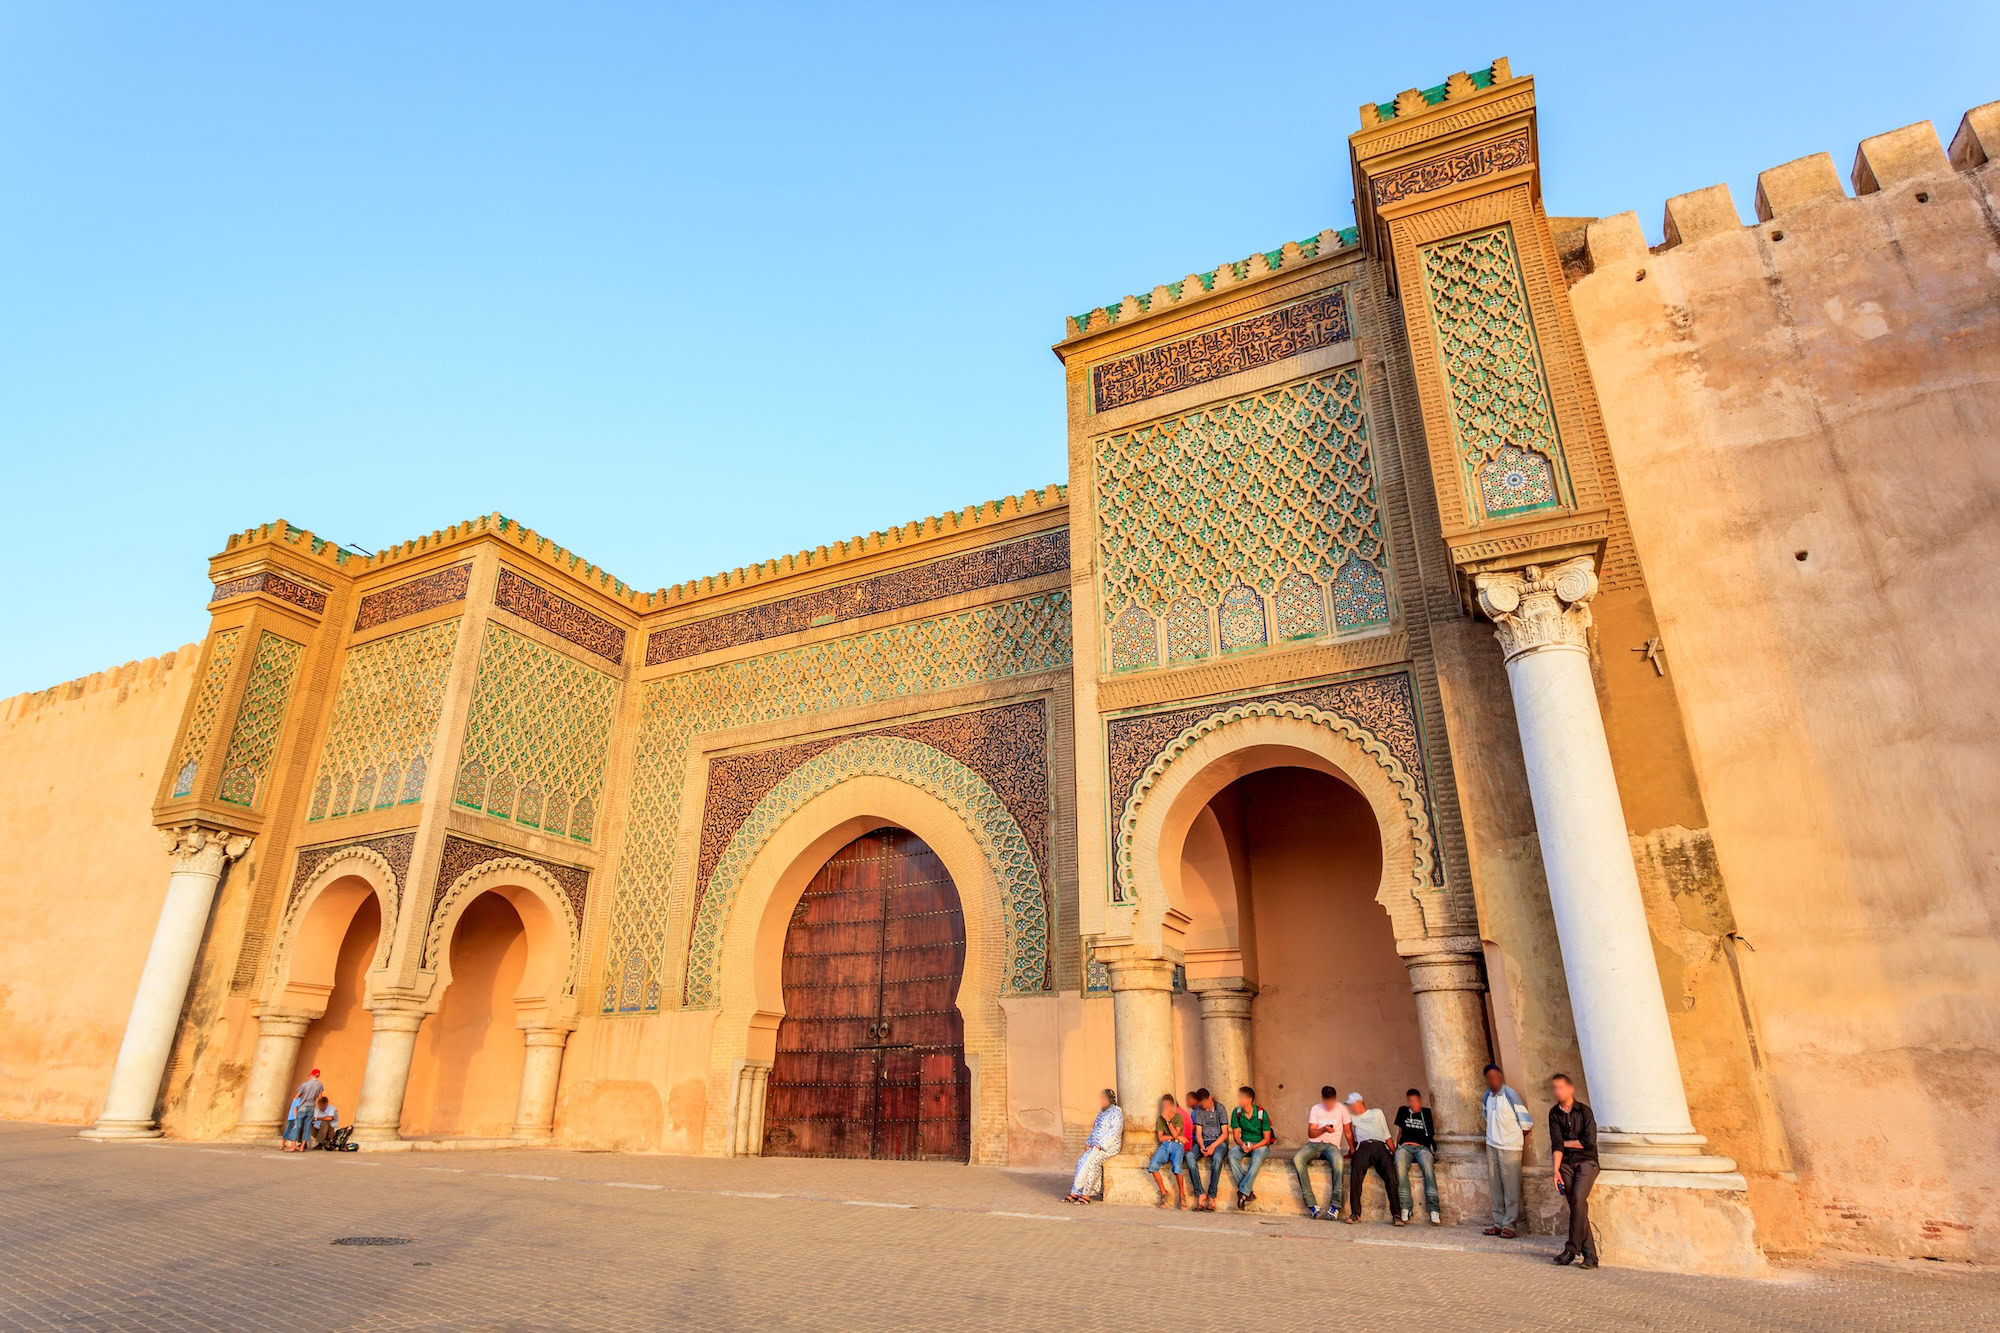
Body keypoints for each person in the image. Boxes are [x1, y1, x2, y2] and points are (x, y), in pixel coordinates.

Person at [1547, 1073, 1600, 1268]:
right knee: (1577, 1206)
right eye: (1554, 1088)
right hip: (1566, 1164)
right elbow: (1556, 1145)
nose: (1557, 1091)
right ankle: (1590, 1257)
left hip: (1587, 1162)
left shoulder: (1585, 1112)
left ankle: (1571, 1249)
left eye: (1560, 1087)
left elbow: (1588, 1142)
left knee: (1578, 1199)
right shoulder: (1554, 1114)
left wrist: (1563, 1143)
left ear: (1571, 1088)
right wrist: (1556, 1171)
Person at [1481, 1063, 1534, 1238]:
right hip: (1492, 1146)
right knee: (1496, 1186)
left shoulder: (1511, 1095)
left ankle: (1510, 1225)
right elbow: (1487, 1118)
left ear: (1501, 1077)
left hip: (1510, 1147)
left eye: (1496, 1076)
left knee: (1511, 1189)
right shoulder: (1486, 1097)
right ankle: (1498, 1222)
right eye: (1490, 1077)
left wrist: (1514, 1139)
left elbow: (1526, 1123)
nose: (1493, 1080)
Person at [1291, 1085, 1350, 1220]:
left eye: (1332, 1101)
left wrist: (1353, 1149)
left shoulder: (1342, 1109)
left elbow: (1348, 1131)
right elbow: (1311, 1132)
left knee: (1338, 1162)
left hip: (1332, 1146)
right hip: (1314, 1144)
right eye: (1327, 1101)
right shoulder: (1315, 1109)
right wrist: (1323, 1129)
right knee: (1298, 1159)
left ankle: (1335, 1205)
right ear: (1323, 1099)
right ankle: (1312, 1204)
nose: (1330, 1104)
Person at [1344, 1092, 1399, 1224]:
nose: (1351, 1108)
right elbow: (1348, 1133)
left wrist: (1394, 1152)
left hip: (1379, 1145)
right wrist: (1353, 1150)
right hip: (1362, 1147)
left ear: (1360, 1102)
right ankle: (1355, 1213)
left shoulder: (1377, 1113)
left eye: (1352, 1105)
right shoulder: (1352, 1117)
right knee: (1356, 1174)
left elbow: (1386, 1134)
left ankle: (1396, 1214)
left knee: (1390, 1174)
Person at [1394, 1087, 1441, 1225]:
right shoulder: (1403, 1111)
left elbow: (1431, 1134)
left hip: (1422, 1147)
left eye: (1415, 1100)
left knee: (1427, 1167)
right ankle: (1405, 1207)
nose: (1413, 1103)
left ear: (1420, 1101)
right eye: (1410, 1101)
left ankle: (1434, 1209)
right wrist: (1397, 1148)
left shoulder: (1426, 1113)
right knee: (1400, 1166)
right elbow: (1400, 1133)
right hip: (1405, 1146)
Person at [1067, 1089, 1123, 1203]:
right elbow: (1095, 1129)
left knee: (1092, 1163)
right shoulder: (1102, 1112)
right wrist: (1089, 1142)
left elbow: (1115, 1131)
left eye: (1104, 1098)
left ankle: (1086, 1195)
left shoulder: (1117, 1112)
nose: (1102, 1101)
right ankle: (1075, 1192)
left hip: (1109, 1147)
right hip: (1095, 1146)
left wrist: (1101, 1145)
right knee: (1081, 1161)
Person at [1226, 1086, 1274, 1209]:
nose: (1238, 1100)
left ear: (1249, 1099)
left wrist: (1254, 1147)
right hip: (1245, 1142)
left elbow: (1267, 1139)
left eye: (1241, 1097)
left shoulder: (1261, 1113)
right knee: (1232, 1155)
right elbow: (1236, 1136)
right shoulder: (1236, 1113)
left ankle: (1243, 1191)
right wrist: (1242, 1144)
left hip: (1260, 1144)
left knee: (1257, 1159)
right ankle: (1247, 1191)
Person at [1147, 1094, 1189, 1208]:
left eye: (1166, 1105)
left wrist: (1168, 1121)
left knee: (1177, 1167)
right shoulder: (1160, 1119)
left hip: (1177, 1146)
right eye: (1163, 1105)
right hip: (1165, 1145)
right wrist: (1177, 1136)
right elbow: (1161, 1138)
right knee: (1152, 1166)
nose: (1164, 1108)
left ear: (1171, 1106)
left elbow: (1175, 1133)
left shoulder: (1178, 1117)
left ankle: (1182, 1195)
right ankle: (1164, 1193)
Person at [1188, 1088, 1227, 1211]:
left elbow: (1225, 1133)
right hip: (1204, 1141)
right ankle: (1200, 1193)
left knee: (1217, 1158)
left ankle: (1212, 1196)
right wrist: (1201, 1145)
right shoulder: (1199, 1111)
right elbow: (1198, 1133)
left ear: (1210, 1098)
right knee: (1189, 1156)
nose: (1204, 1106)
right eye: (1201, 1104)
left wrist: (1213, 1146)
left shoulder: (1220, 1109)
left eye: (1205, 1103)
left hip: (1219, 1142)